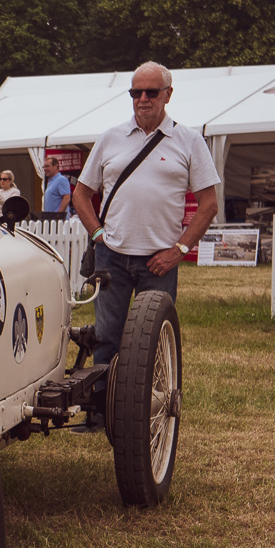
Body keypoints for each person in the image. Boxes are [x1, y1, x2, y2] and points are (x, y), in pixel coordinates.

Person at [72, 61, 220, 432]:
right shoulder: (110, 138)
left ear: (168, 95)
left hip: (160, 261)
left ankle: (146, 416)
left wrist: (179, 250)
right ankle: (99, 415)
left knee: (152, 342)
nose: (142, 99)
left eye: (150, 92)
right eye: (135, 92)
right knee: (107, 337)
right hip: (113, 256)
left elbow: (209, 204)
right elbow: (81, 194)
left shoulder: (189, 140)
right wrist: (96, 235)